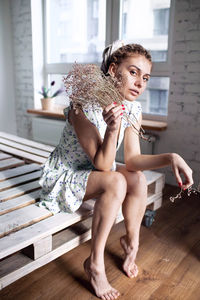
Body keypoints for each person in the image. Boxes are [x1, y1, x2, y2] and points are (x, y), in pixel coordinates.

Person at [39, 41, 193, 300]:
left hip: (98, 170)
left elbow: (132, 160)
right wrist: (112, 129)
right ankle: (95, 264)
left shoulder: (132, 108)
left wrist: (171, 157)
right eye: (133, 72)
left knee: (136, 178)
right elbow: (101, 163)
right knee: (116, 183)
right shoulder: (83, 105)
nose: (140, 83)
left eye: (145, 77)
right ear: (112, 69)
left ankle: (132, 243)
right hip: (66, 173)